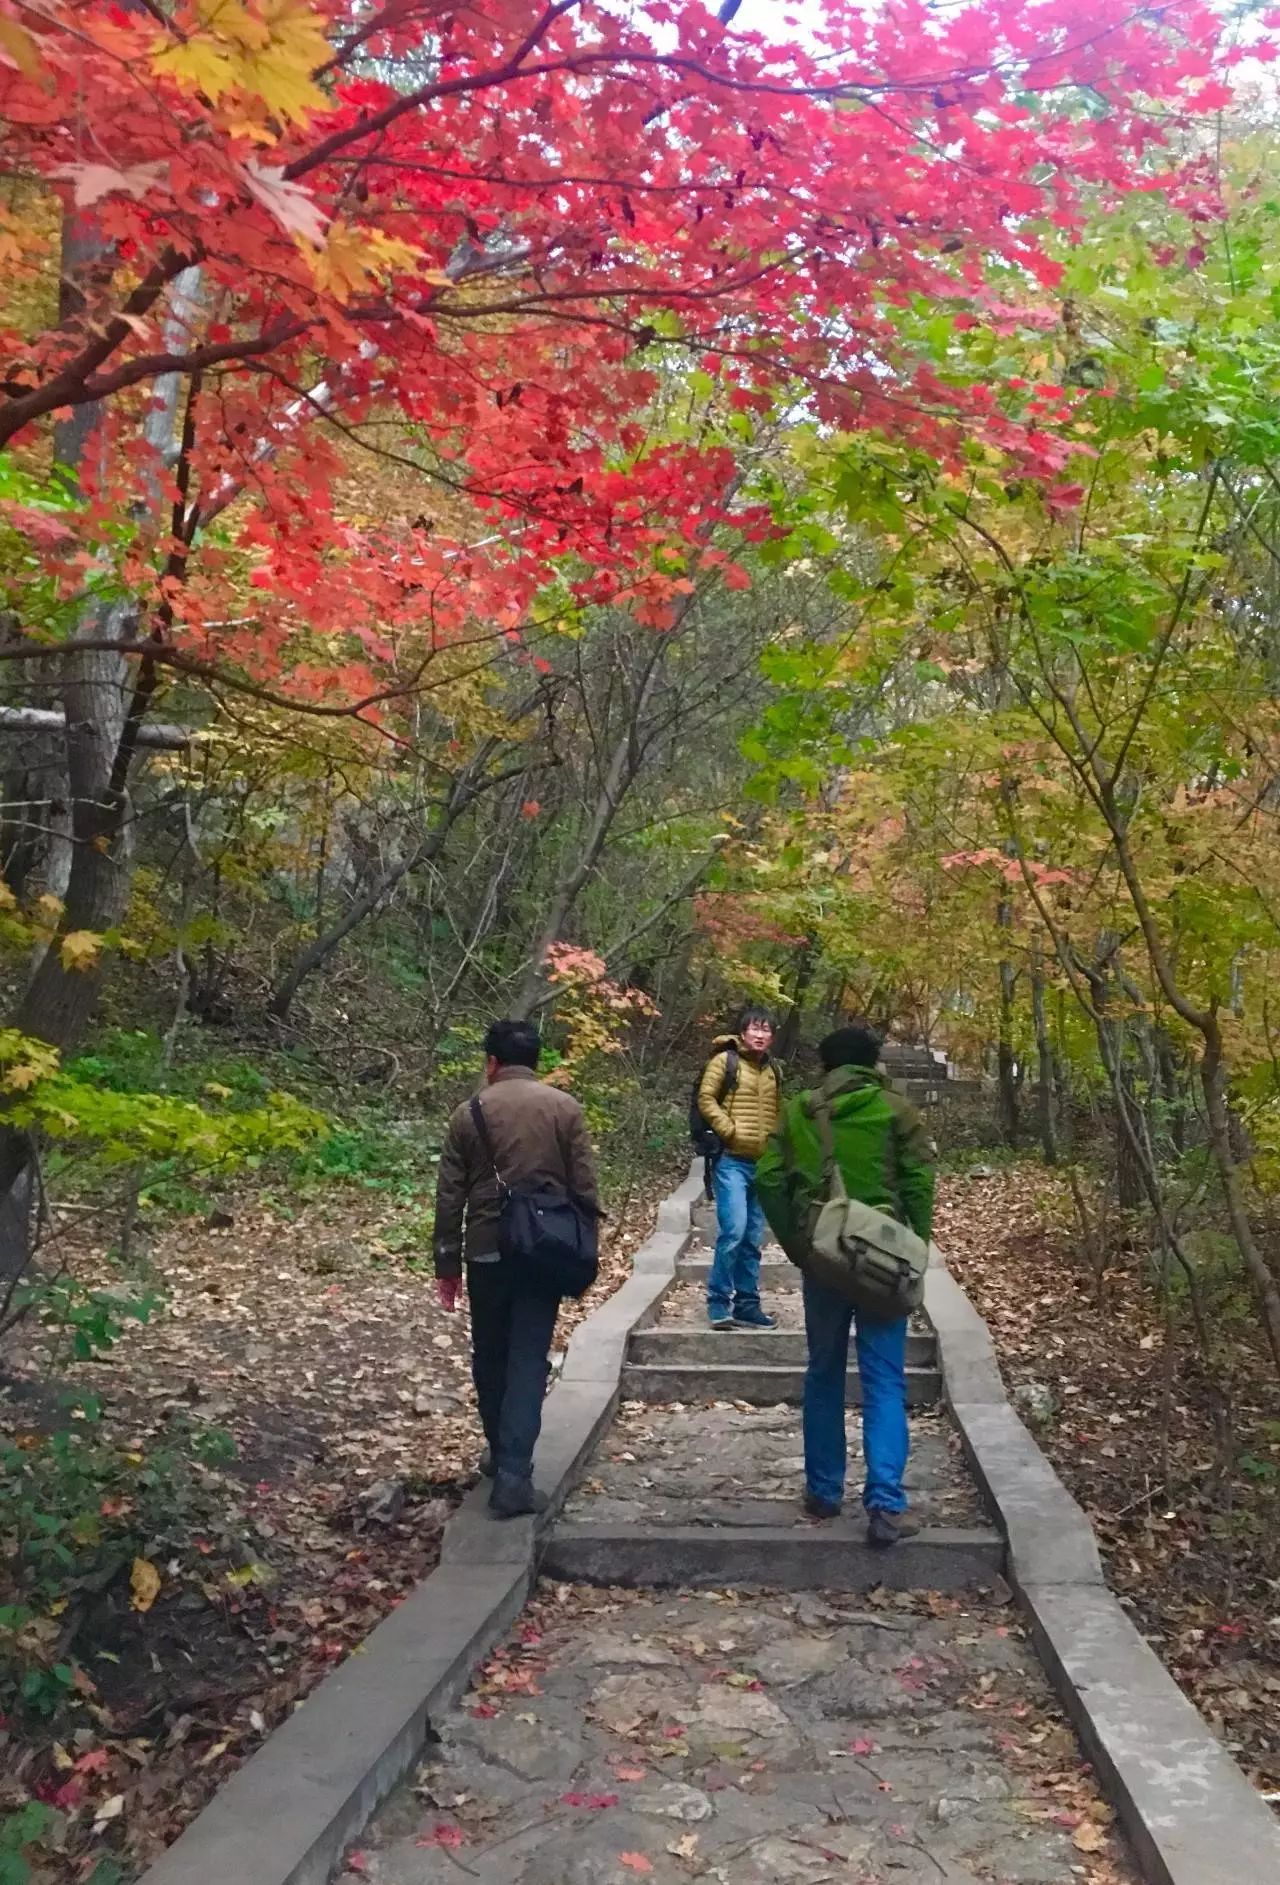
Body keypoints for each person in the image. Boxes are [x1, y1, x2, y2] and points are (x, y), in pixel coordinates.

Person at [755, 1020, 936, 1547]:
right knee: (885, 1380)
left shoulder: (802, 1110)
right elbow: (920, 1181)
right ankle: (885, 1503)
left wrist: (800, 1245)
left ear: (827, 1066)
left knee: (824, 1371)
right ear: (873, 1062)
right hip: (883, 1262)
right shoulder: (895, 1110)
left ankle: (823, 1490)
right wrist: (912, 1247)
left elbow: (767, 1178)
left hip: (826, 1259)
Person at [433, 1018, 599, 1519]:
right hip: (543, 1252)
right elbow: (585, 1189)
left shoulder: (469, 1112)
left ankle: (499, 1451)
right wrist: (584, 1253)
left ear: (491, 1062)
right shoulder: (565, 1108)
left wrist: (446, 1262)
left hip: (485, 1250)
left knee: (490, 1354)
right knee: (528, 1358)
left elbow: (450, 1195)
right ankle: (513, 1474)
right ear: (536, 1061)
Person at [696, 1007, 782, 1331]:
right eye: (754, 1029)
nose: (760, 1034)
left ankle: (747, 1305)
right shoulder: (725, 1061)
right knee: (734, 1230)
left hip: (761, 1163)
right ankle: (718, 1303)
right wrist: (728, 1129)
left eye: (766, 1029)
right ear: (743, 1032)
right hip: (731, 1159)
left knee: (752, 1238)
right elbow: (706, 1098)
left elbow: (777, 1111)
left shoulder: (773, 1069)